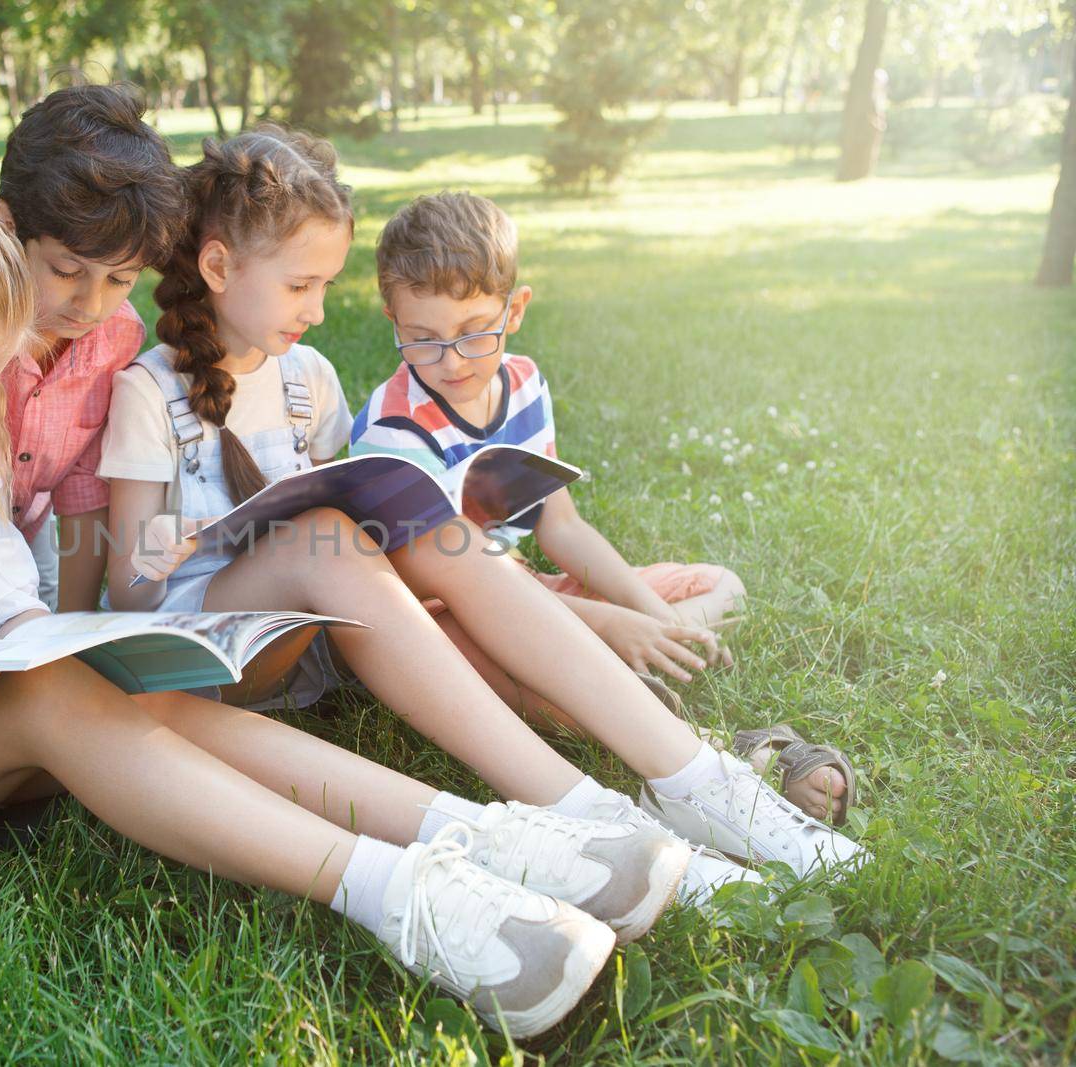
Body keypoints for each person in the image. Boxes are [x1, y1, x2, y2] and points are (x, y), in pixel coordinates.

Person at [0, 174, 684, 1039]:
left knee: (103, 683)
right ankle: (405, 897)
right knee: (47, 700)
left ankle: (487, 834)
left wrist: (42, 639)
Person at [100, 129, 863, 889]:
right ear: (218, 266)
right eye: (302, 285)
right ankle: (584, 809)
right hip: (203, 657)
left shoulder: (310, 377)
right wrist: (162, 544)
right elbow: (132, 596)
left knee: (426, 528)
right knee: (325, 537)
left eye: (328, 286)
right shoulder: (148, 391)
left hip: (308, 641)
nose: (321, 310)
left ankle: (695, 778)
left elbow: (346, 518)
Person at [352, 191, 849, 823]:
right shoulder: (394, 429)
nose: (450, 361)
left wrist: (652, 617)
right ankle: (738, 758)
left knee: (721, 588)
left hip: (532, 588)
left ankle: (647, 658)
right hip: (443, 618)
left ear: (516, 309)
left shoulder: (524, 383)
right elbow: (421, 588)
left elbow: (560, 524)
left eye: (474, 333)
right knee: (534, 686)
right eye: (421, 340)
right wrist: (608, 625)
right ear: (393, 322)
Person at [0, 83, 183, 611]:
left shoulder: (117, 338)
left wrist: (74, 627)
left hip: (27, 543)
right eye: (66, 271)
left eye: (120, 279)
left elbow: (82, 490)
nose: (90, 304)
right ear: (6, 224)